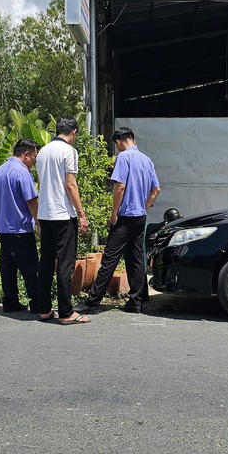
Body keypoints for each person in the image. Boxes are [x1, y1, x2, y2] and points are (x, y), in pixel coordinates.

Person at [75, 126, 161, 315]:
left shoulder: (123, 157)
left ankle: (92, 303)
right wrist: (144, 206)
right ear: (132, 139)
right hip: (140, 217)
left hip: (125, 217)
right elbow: (156, 189)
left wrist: (114, 213)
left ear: (118, 142)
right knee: (136, 259)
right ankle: (136, 302)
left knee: (109, 259)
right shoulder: (146, 160)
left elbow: (120, 186)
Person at [36, 116, 90, 324]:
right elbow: (70, 184)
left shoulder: (42, 151)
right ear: (74, 132)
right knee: (65, 264)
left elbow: (41, 183)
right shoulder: (69, 151)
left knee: (46, 262)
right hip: (63, 214)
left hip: (45, 213)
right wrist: (81, 213)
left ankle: (44, 309)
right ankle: (66, 312)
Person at [0, 138, 41, 313]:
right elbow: (31, 201)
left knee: (8, 266)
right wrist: (39, 222)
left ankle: (10, 300)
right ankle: (38, 302)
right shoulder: (22, 173)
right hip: (19, 227)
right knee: (30, 266)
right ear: (26, 154)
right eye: (34, 156)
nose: (34, 161)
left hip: (2, 226)